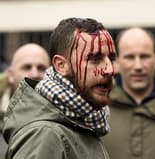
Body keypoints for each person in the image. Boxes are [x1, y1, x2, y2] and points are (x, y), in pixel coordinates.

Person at [3, 17, 116, 159]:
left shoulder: (83, 123)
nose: (110, 69)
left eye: (111, 59)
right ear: (61, 65)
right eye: (95, 59)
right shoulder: (45, 135)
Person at [103, 27, 155, 159]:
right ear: (117, 62)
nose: (138, 66)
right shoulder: (98, 108)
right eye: (129, 57)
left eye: (144, 56)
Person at [0, 43, 50, 158]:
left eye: (41, 68)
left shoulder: (64, 113)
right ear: (11, 75)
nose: (35, 74)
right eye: (27, 67)